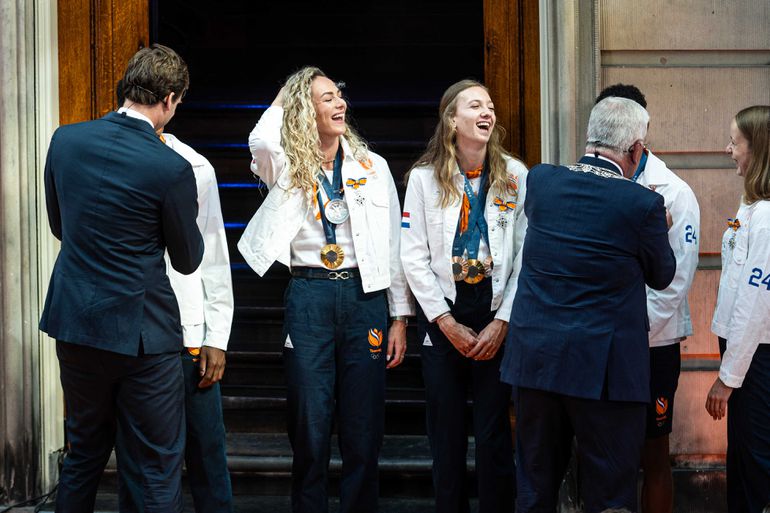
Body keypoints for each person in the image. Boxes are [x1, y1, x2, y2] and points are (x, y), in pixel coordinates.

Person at [237, 66, 414, 513]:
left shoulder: (374, 167)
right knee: (310, 424)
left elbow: (393, 244)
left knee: (363, 425)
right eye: (326, 98)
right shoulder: (288, 164)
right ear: (303, 109)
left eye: (340, 96)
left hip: (364, 297)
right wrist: (289, 89)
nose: (340, 105)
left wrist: (399, 316)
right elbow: (260, 139)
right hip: (310, 294)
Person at [39, 44, 203, 513]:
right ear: (170, 99)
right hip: (142, 339)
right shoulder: (171, 167)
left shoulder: (64, 140)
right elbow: (188, 259)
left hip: (76, 326)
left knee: (83, 453)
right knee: (155, 465)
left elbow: (59, 226)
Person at [500, 96, 676, 513]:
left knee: (534, 489)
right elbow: (662, 275)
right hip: (605, 373)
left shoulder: (541, 181)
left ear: (588, 137)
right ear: (636, 150)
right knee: (610, 495)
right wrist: (659, 226)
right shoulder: (643, 205)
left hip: (537, 361)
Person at [400, 79, 526, 513]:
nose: (487, 112)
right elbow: (412, 256)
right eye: (475, 105)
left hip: (494, 313)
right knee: (447, 435)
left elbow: (527, 255)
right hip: (443, 315)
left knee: (493, 433)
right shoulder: (422, 179)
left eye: (490, 105)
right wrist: (445, 322)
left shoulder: (514, 174)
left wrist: (503, 322)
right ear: (453, 120)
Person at [112, 78, 235, 512]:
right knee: (136, 458)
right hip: (136, 335)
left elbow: (214, 254)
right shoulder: (108, 155)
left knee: (206, 455)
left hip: (189, 336)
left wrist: (216, 335)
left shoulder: (194, 165)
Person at [596, 84, 701, 513]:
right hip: (602, 344)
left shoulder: (674, 192)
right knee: (607, 457)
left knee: (654, 455)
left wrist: (632, 334)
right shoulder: (591, 183)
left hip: (651, 347)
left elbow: (674, 284)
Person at [706, 105, 770, 513]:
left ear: (758, 149)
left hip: (756, 356)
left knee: (756, 462)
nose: (728, 149)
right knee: (744, 459)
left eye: (736, 142)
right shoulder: (752, 207)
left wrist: (727, 379)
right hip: (745, 351)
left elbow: (755, 301)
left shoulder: (765, 217)